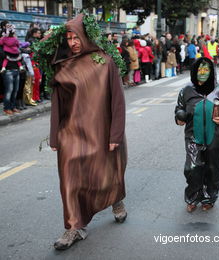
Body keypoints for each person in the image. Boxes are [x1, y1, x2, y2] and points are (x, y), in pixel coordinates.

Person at [43, 14, 128, 250]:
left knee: (105, 174)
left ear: (85, 35)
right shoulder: (62, 67)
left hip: (100, 130)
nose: (73, 42)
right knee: (69, 180)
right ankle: (73, 227)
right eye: (68, 38)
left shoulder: (104, 62)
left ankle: (116, 200)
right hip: (70, 133)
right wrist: (54, 136)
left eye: (76, 36)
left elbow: (117, 102)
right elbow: (57, 104)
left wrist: (115, 135)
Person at [175, 57, 219, 212]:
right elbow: (179, 108)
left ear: (211, 72)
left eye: (206, 69)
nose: (202, 73)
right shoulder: (186, 90)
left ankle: (209, 197)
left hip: (215, 137)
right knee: (192, 167)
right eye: (199, 69)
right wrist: (179, 116)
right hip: (193, 137)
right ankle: (193, 196)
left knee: (213, 168)